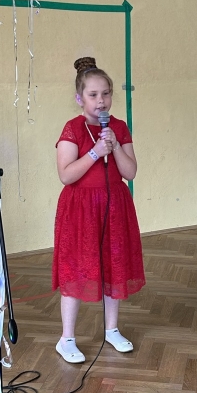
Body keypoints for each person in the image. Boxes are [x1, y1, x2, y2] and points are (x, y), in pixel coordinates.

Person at [53, 57, 145, 362]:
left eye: (106, 93)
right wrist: (95, 152)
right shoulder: (72, 128)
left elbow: (130, 172)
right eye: (93, 95)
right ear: (80, 98)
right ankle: (67, 338)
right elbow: (66, 175)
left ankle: (112, 329)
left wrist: (115, 145)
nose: (100, 100)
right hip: (80, 210)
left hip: (114, 206)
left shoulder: (118, 127)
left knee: (113, 266)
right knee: (77, 268)